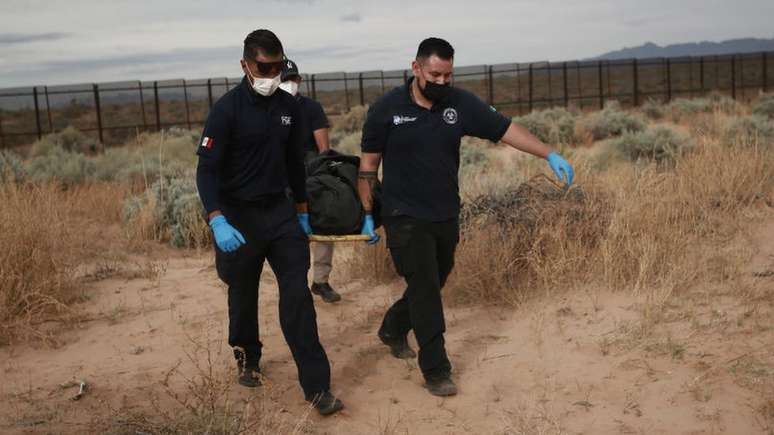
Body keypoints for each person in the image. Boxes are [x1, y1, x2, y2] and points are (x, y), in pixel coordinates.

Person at [357, 37, 574, 397]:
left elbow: (506, 129)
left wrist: (548, 153)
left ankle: (394, 326)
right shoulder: (386, 109)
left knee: (436, 278)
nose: (442, 82)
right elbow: (368, 166)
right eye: (435, 74)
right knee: (426, 289)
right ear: (416, 69)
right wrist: (367, 214)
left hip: (444, 213)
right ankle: (437, 369)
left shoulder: (459, 103)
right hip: (402, 214)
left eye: (448, 75)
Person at [195, 29, 343, 416]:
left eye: (278, 66)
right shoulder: (225, 111)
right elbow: (206, 171)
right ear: (244, 64)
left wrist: (304, 211)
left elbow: (296, 163)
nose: (272, 74)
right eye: (264, 66)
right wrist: (217, 219)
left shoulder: (289, 109)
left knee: (297, 296)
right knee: (242, 292)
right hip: (238, 217)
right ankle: (247, 359)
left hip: (280, 215)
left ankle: (317, 387)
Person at [279, 59, 341, 304]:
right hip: (280, 176)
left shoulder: (311, 108)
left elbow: (324, 149)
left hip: (310, 174)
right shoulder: (268, 109)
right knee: (290, 233)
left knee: (325, 224)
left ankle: (321, 281)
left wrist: (322, 177)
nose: (290, 83)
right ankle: (294, 285)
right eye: (285, 79)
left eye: (293, 79)